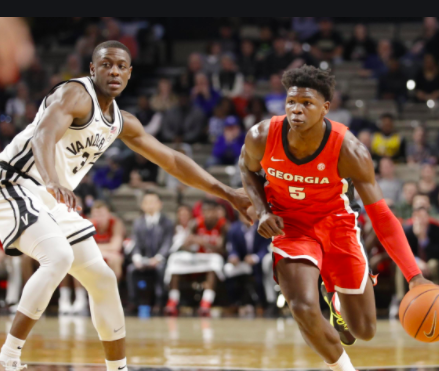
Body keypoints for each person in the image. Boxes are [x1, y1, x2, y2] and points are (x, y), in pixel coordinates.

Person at [0, 40, 251, 371]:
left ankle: (118, 368)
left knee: (102, 278)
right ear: (92, 69)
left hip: (51, 196)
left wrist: (227, 192)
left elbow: (173, 161)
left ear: (130, 74)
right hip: (15, 183)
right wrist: (51, 180)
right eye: (106, 64)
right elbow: (42, 137)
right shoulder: (74, 95)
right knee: (58, 256)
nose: (113, 70)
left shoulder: (121, 121)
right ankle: (9, 357)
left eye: (121, 66)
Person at [239, 65, 430, 371]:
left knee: (364, 330)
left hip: (337, 226)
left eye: (306, 104)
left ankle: (336, 302)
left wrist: (414, 276)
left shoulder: (350, 150)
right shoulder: (262, 135)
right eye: (291, 103)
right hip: (290, 227)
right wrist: (262, 211)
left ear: (325, 108)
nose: (296, 111)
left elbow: (381, 216)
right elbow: (246, 168)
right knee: (302, 306)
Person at [164, 200, 228, 317]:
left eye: (210, 212)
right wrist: (190, 242)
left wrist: (204, 242)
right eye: (205, 212)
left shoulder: (223, 225)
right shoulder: (195, 224)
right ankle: (172, 301)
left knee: (214, 263)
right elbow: (184, 245)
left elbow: (222, 251)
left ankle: (206, 303)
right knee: (174, 259)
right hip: (197, 257)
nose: (208, 215)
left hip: (211, 258)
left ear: (216, 212)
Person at [127, 191, 174, 315]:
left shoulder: (167, 222)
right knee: (131, 270)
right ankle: (133, 301)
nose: (150, 205)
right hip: (144, 258)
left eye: (153, 202)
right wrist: (137, 258)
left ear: (160, 204)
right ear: (142, 205)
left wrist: (158, 258)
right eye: (147, 202)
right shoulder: (138, 222)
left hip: (160, 260)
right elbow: (135, 243)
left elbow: (167, 244)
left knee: (160, 269)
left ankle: (159, 301)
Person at [224, 207, 270, 309]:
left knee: (260, 276)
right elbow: (231, 246)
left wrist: (255, 258)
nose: (248, 218)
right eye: (245, 215)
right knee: (227, 271)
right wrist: (233, 256)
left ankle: (262, 304)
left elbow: (266, 247)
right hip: (241, 262)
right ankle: (234, 303)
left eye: (251, 216)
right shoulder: (234, 229)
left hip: (258, 263)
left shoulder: (263, 228)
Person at [404, 207, 439, 284]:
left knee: (434, 264)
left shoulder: (438, 231)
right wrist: (418, 262)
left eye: (423, 217)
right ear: (413, 218)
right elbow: (405, 253)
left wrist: (423, 238)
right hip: (414, 262)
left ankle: (437, 293)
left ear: (428, 217)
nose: (420, 220)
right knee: (401, 267)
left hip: (430, 260)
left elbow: (438, 252)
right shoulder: (407, 231)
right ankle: (400, 295)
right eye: (418, 217)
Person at [89, 201, 125, 280]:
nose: (99, 218)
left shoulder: (116, 223)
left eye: (102, 215)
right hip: (99, 253)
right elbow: (87, 248)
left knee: (115, 259)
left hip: (112, 254)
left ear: (108, 214)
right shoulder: (89, 224)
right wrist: (104, 252)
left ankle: (114, 288)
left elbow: (116, 247)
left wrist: (97, 248)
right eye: (96, 215)